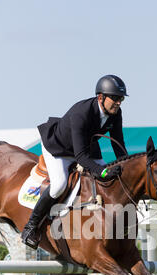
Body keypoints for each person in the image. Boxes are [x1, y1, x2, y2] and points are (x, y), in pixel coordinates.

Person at [21, 74, 129, 249]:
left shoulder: (116, 113)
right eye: (115, 98)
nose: (119, 103)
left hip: (87, 148)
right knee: (59, 185)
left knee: (108, 180)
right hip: (59, 149)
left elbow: (118, 144)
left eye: (121, 99)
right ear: (100, 97)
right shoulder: (82, 113)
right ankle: (31, 227)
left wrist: (123, 167)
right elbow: (80, 157)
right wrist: (102, 171)